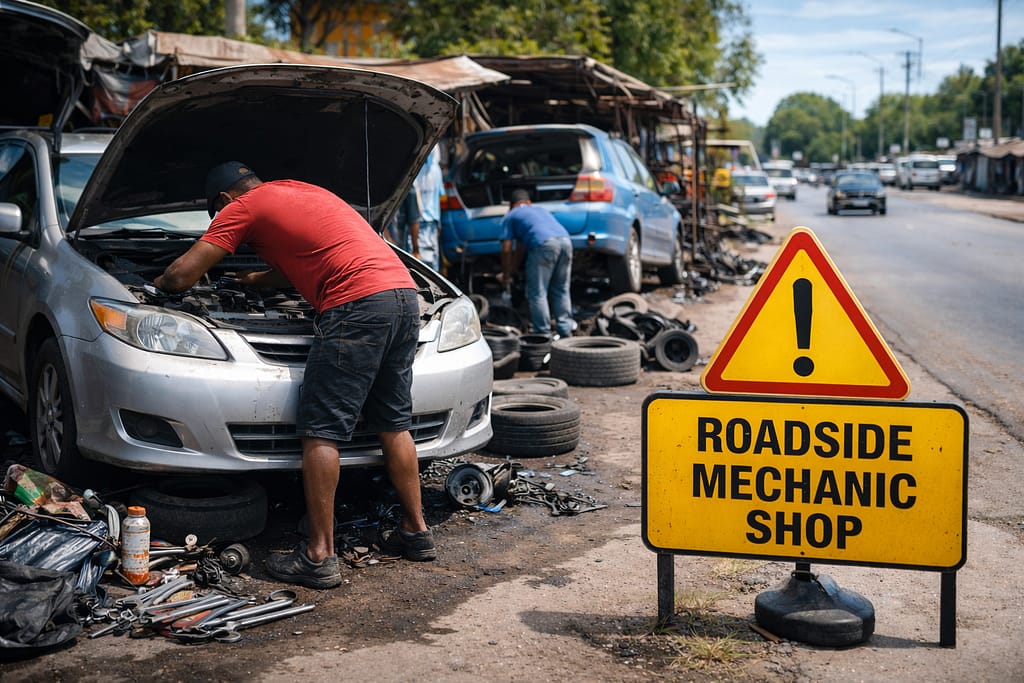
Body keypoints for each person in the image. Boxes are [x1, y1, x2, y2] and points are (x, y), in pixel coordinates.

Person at [152, 161, 436, 589]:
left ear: (225, 200)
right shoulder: (305, 191)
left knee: (321, 432)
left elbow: (181, 275)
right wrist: (256, 280)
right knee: (393, 423)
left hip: (355, 307)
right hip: (402, 296)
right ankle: (417, 533)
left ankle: (319, 555)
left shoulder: (241, 206)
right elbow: (305, 256)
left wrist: (156, 285)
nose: (222, 222)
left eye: (217, 215)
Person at [497, 189, 574, 338]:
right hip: (566, 241)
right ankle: (565, 332)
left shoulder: (511, 216)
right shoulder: (540, 210)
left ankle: (543, 334)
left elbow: (506, 249)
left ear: (511, 206)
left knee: (537, 292)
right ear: (529, 203)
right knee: (561, 289)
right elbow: (520, 249)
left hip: (543, 245)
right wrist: (511, 271)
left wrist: (505, 275)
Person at [414, 145, 443, 270]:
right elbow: (441, 196)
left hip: (421, 223)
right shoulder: (436, 169)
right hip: (432, 222)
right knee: (432, 262)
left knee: (423, 264)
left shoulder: (416, 170)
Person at [386, 188, 420, 255]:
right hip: (398, 249)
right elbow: (414, 222)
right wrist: (416, 250)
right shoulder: (407, 187)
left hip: (384, 245)